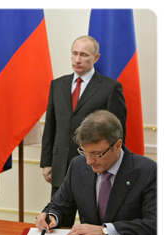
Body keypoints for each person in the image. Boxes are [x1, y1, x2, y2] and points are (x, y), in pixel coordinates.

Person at [36, 110, 160, 235]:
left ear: (117, 146)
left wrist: (106, 230)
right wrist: (51, 215)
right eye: (84, 152)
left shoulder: (149, 172)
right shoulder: (78, 165)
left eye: (96, 153)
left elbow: (157, 223)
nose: (89, 161)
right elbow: (60, 205)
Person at [41, 35, 127, 198]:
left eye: (84, 55)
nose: (77, 59)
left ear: (96, 58)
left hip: (94, 167)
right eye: (74, 53)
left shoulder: (110, 88)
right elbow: (51, 126)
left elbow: (118, 133)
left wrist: (113, 167)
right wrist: (47, 162)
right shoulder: (57, 84)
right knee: (58, 218)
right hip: (60, 166)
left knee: (91, 220)